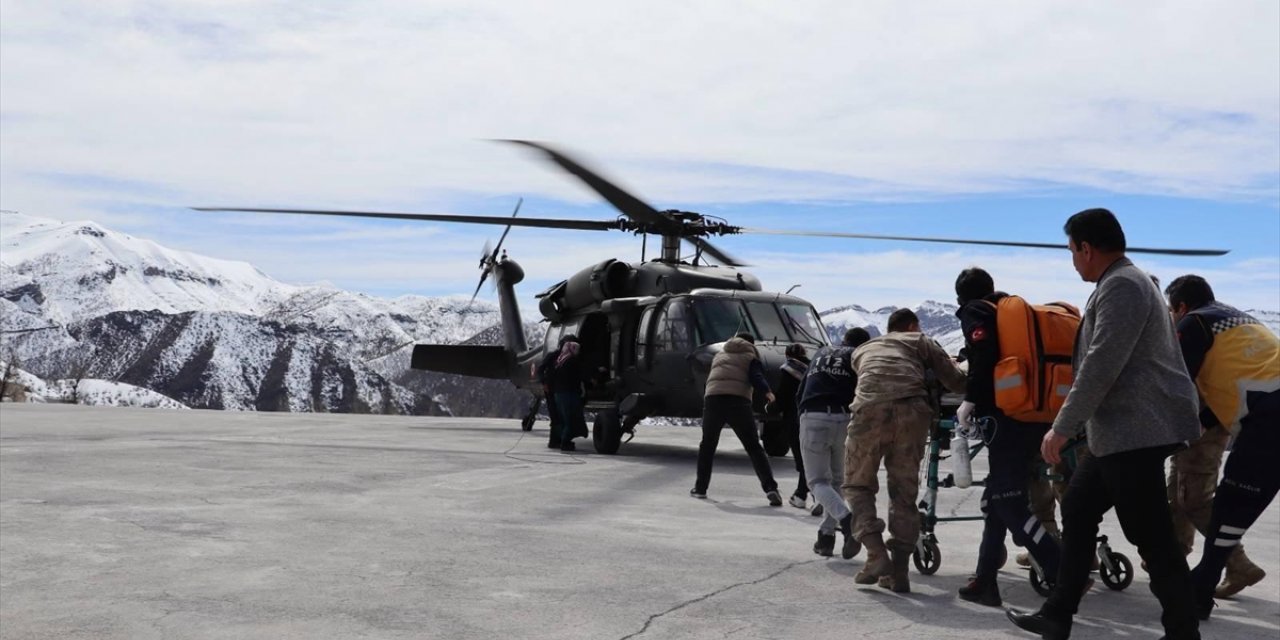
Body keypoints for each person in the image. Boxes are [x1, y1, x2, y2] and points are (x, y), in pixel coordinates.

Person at [1007, 209, 1202, 640]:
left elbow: (1102, 364)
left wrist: (1062, 425)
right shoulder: (1123, 283)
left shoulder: (1123, 286)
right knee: (1078, 509)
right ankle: (1058, 614)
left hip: (1137, 430)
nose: (1073, 261)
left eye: (1072, 251)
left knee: (1151, 537)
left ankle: (1183, 632)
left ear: (1086, 248)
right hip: (1120, 433)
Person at [1164, 275, 1279, 618]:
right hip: (1267, 415)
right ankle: (1200, 589)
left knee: (1228, 506)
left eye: (1172, 312)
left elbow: (1176, 380)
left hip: (1269, 418)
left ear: (1181, 306)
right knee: (1231, 509)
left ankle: (1197, 596)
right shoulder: (1240, 320)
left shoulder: (1193, 321)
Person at [952, 267, 1062, 607]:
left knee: (1009, 500)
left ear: (961, 296)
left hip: (1004, 418)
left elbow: (984, 356)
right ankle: (985, 581)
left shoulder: (976, 310)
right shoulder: (1009, 311)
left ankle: (1061, 570)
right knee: (998, 498)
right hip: (1034, 415)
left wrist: (970, 399)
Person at [845, 309, 967, 593]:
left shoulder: (863, 349)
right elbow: (955, 381)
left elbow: (867, 378)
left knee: (857, 485)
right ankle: (899, 572)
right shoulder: (919, 341)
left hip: (869, 410)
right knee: (903, 492)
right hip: (912, 412)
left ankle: (876, 553)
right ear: (912, 326)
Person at [798, 327, 871, 558]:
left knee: (817, 481)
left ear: (844, 339)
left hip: (814, 415)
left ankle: (846, 520)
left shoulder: (821, 353)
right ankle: (826, 537)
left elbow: (800, 391)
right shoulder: (859, 357)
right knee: (837, 480)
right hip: (845, 418)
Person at [692, 333, 783, 505]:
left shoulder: (719, 355)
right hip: (737, 402)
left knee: (707, 445)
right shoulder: (751, 356)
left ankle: (700, 488)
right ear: (751, 344)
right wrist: (768, 393)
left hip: (713, 400)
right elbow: (756, 377)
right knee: (754, 447)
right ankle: (770, 488)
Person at [776, 343, 812, 511]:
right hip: (816, 415)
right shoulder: (814, 367)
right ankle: (801, 494)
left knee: (802, 459)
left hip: (795, 418)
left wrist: (771, 409)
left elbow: (782, 397)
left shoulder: (788, 369)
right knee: (813, 457)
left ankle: (809, 495)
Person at [548, 337, 589, 452]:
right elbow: (578, 377)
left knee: (563, 419)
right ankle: (565, 442)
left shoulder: (560, 361)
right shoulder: (572, 361)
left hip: (558, 394)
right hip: (569, 394)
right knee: (570, 419)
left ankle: (561, 439)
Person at [536, 335, 572, 449]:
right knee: (555, 415)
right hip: (551, 389)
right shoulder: (553, 356)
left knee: (562, 415)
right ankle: (554, 441)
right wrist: (544, 382)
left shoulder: (570, 358)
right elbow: (540, 369)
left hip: (561, 389)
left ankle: (559, 439)